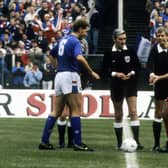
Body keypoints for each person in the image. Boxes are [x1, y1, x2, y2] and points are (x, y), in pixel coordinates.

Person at [38, 19, 100, 151]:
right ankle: (77, 143)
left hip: (59, 76)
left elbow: (51, 54)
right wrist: (91, 72)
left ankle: (44, 141)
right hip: (71, 75)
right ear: (80, 29)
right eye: (85, 31)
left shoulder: (63, 39)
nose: (86, 34)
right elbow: (79, 57)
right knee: (76, 109)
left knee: (56, 110)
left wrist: (57, 67)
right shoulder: (75, 41)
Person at [102, 28, 143, 151]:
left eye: (124, 39)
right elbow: (104, 70)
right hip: (116, 85)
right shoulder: (109, 52)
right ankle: (119, 143)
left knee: (133, 111)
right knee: (118, 114)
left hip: (130, 84)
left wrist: (132, 72)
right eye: (120, 39)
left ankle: (137, 142)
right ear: (114, 39)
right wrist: (115, 74)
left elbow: (138, 66)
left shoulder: (130, 50)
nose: (123, 41)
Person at [147, 26, 168, 152]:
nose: (160, 38)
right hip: (159, 85)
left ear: (167, 36)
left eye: (162, 35)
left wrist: (158, 77)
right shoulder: (154, 49)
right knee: (158, 114)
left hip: (163, 81)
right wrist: (151, 75)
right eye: (158, 36)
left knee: (166, 114)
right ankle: (156, 144)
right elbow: (149, 65)